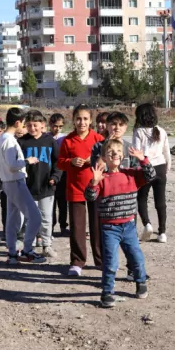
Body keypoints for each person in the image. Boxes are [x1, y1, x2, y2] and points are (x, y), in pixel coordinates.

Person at [85, 140, 155, 308]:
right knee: (110, 263)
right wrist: (94, 182)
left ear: (123, 156)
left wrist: (142, 159)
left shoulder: (131, 174)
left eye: (118, 151)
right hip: (109, 228)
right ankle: (107, 292)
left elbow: (151, 175)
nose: (114, 153)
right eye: (110, 152)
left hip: (129, 226)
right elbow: (90, 197)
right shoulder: (101, 178)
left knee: (136, 257)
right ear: (103, 158)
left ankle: (141, 281)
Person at [58, 104, 105, 276]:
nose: (82, 122)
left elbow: (105, 161)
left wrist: (92, 161)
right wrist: (71, 161)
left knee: (97, 225)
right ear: (73, 120)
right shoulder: (68, 140)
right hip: (75, 189)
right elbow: (59, 162)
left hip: (95, 187)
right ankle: (77, 261)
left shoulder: (98, 139)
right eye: (78, 118)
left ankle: (100, 260)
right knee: (77, 227)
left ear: (91, 120)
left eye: (85, 119)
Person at [0, 107, 47, 265]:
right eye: (24, 124)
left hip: (8, 182)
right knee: (35, 216)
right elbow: (12, 164)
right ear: (18, 123)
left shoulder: (2, 138)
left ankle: (12, 253)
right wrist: (27, 161)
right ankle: (27, 251)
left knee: (13, 219)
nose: (25, 127)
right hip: (15, 181)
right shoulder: (9, 140)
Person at [18, 111, 62, 258]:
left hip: (46, 188)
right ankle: (27, 245)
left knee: (46, 218)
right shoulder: (22, 142)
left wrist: (55, 177)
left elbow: (58, 162)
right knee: (28, 218)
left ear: (43, 125)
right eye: (29, 125)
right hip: (28, 187)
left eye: (35, 125)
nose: (32, 128)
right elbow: (16, 163)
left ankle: (46, 245)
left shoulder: (50, 141)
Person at [132, 103, 171, 243]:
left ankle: (147, 224)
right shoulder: (161, 130)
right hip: (161, 166)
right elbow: (166, 151)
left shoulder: (138, 131)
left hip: (146, 167)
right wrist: (168, 167)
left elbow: (137, 152)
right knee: (160, 201)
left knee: (141, 198)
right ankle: (162, 232)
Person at [49, 113, 70, 236]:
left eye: (60, 126)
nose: (57, 129)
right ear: (50, 124)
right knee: (50, 203)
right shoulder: (46, 138)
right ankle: (50, 227)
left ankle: (63, 226)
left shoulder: (65, 139)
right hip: (50, 174)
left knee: (63, 203)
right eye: (55, 126)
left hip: (63, 175)